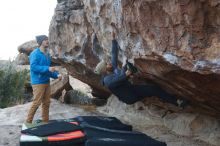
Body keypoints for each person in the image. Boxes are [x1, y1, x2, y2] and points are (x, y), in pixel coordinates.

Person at [95, 31, 187, 108]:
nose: (109, 63)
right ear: (105, 69)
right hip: (131, 96)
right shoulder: (108, 80)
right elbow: (116, 81)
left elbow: (114, 54)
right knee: (153, 90)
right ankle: (177, 103)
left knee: (151, 88)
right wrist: (125, 71)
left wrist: (113, 39)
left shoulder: (112, 68)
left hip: (129, 89)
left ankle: (170, 100)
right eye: (107, 64)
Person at [26, 35, 62, 124]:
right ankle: (28, 122)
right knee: (36, 103)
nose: (47, 41)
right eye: (45, 40)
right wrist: (47, 68)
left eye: (47, 39)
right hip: (38, 83)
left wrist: (56, 75)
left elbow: (48, 70)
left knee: (46, 103)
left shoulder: (47, 55)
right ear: (41, 42)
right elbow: (33, 67)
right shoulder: (35, 53)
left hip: (46, 82)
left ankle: (45, 122)